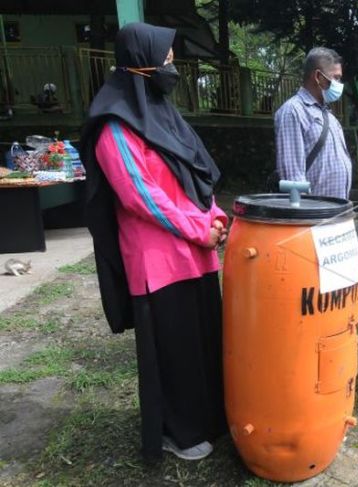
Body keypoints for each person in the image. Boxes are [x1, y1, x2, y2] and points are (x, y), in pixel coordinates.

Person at [80, 22, 228, 461]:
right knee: (174, 350)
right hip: (158, 262)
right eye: (164, 59)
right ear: (138, 62)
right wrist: (199, 228)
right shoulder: (115, 126)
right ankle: (176, 431)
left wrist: (215, 214)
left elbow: (199, 171)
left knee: (204, 341)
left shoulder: (168, 116)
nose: (171, 66)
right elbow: (141, 195)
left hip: (198, 255)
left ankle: (208, 418)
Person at [274, 47, 352, 199]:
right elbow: (292, 176)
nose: (339, 84)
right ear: (318, 76)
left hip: (337, 211)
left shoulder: (328, 115)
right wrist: (301, 216)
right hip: (315, 216)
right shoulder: (293, 111)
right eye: (335, 78)